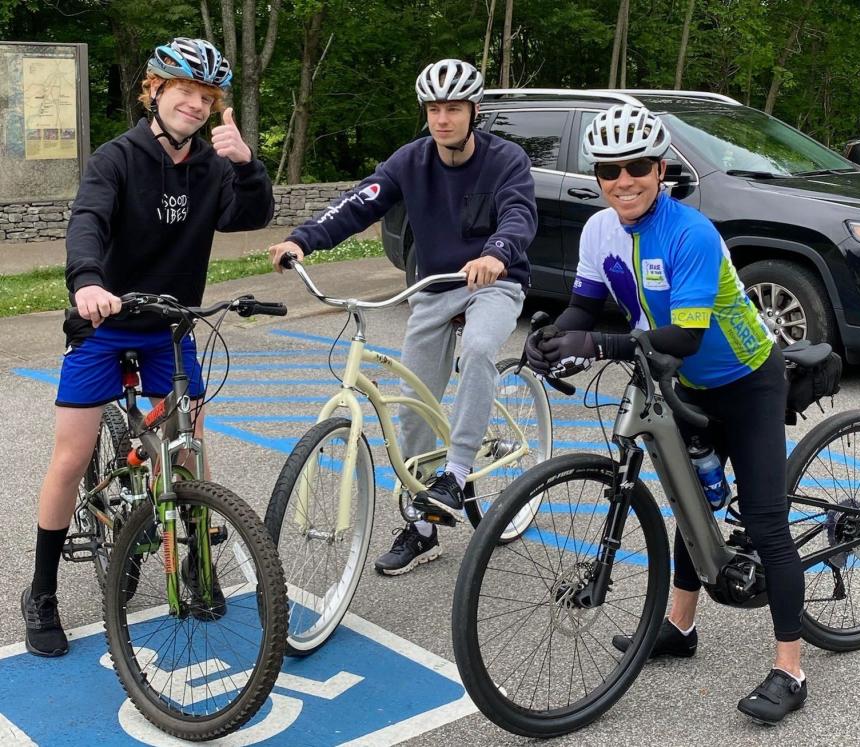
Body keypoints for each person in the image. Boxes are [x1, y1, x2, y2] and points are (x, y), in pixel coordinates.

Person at [523, 103, 806, 724]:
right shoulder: (601, 230)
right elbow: (584, 304)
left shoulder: (691, 233)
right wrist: (550, 336)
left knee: (763, 521)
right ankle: (679, 627)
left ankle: (790, 666)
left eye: (638, 166)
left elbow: (686, 336)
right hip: (681, 383)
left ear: (661, 167)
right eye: (609, 169)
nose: (624, 180)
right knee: (687, 498)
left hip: (745, 380)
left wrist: (597, 344)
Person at [23, 37, 275, 657]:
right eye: (182, 91)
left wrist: (246, 163)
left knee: (188, 448)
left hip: (169, 327)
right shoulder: (116, 158)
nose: (193, 103)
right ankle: (42, 590)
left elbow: (253, 216)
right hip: (105, 324)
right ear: (155, 91)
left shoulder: (212, 167)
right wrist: (87, 283)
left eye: (204, 96)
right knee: (69, 454)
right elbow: (88, 220)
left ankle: (196, 566)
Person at [269, 58, 537, 576]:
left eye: (453, 108)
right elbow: (357, 203)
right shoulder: (410, 162)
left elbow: (519, 213)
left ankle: (457, 473)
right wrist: (302, 240)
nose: (442, 119)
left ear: (473, 112)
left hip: (495, 280)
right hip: (433, 287)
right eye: (434, 109)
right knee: (415, 401)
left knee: (480, 347)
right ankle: (421, 527)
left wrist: (497, 252)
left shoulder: (507, 160)